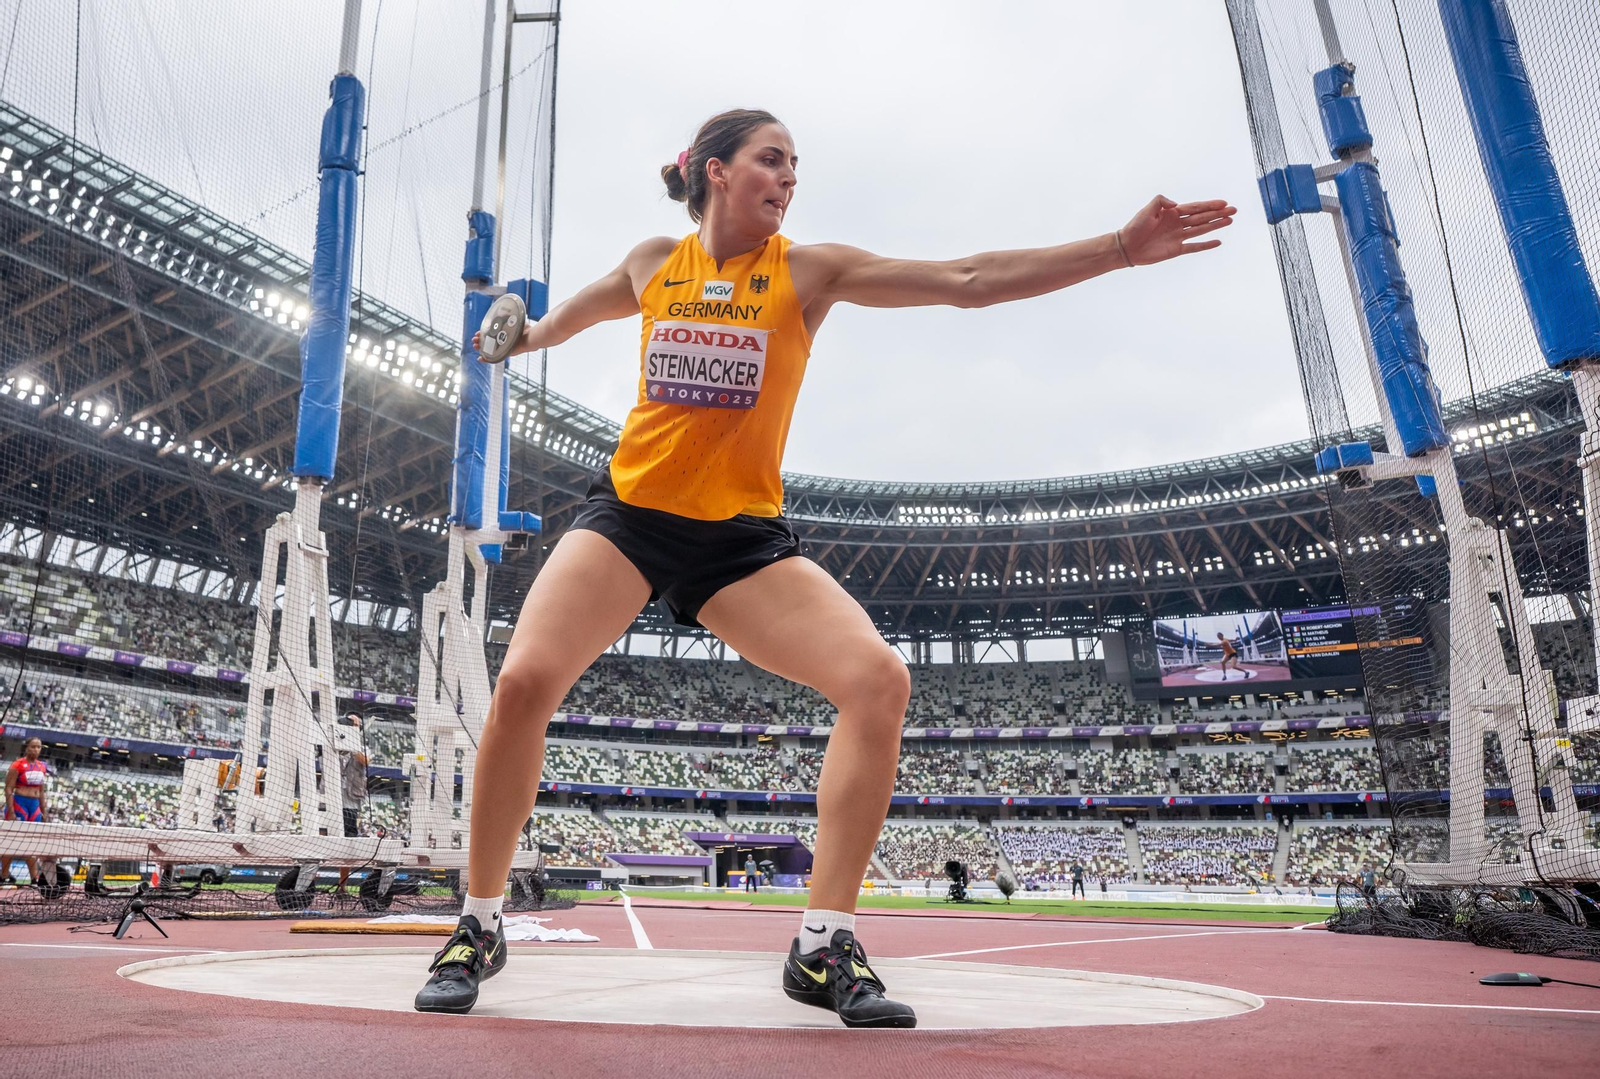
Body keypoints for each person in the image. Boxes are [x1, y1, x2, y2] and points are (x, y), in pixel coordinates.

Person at [412, 107, 1234, 1025]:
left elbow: (966, 280)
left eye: (796, 166)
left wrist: (1119, 247)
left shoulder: (808, 272)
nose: (789, 178)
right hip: (630, 518)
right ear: (715, 171)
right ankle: (479, 922)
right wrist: (516, 337)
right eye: (772, 161)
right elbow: (568, 317)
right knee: (524, 680)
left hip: (740, 543)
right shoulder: (655, 262)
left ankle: (820, 945)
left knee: (879, 678)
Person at [4, 737, 49, 887]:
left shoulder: (42, 766)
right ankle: (3, 875)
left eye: (39, 747)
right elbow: (9, 788)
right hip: (19, 804)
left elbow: (42, 792)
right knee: (11, 843)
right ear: (27, 748)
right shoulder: (17, 765)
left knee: (33, 844)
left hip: (35, 807)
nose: (36, 750)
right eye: (33, 747)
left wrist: (44, 813)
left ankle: (34, 878)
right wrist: (11, 812)